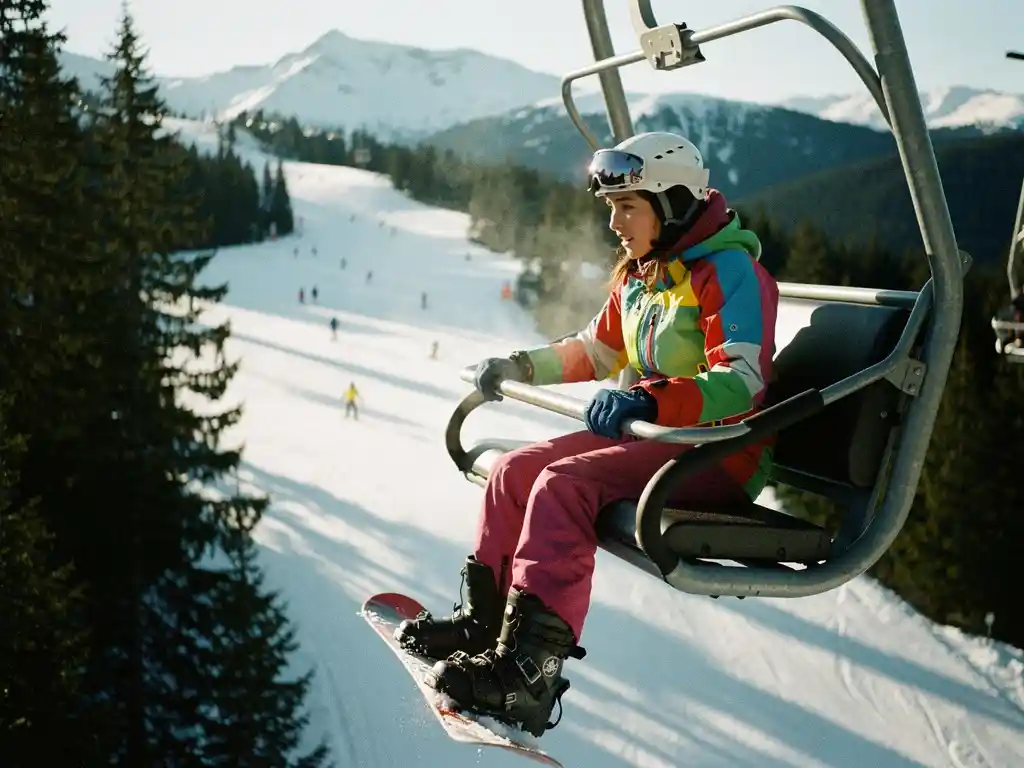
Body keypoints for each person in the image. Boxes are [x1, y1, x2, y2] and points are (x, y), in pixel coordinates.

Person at [396, 131, 780, 737]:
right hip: (652, 437)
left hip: (716, 451)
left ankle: (529, 677)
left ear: (673, 203)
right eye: (610, 208)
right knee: (515, 472)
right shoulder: (643, 276)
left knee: (562, 486)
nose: (615, 223)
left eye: (628, 207)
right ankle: (484, 623)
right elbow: (597, 349)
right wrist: (523, 365)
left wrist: (647, 396)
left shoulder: (731, 272)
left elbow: (742, 382)